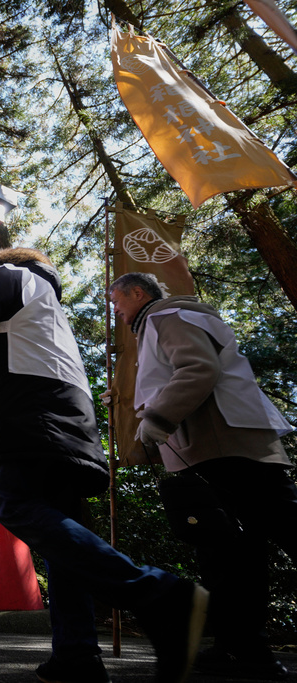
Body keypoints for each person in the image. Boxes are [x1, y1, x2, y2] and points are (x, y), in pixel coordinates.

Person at [0, 247, 207, 683]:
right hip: (61, 414)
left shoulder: (6, 274)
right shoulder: (44, 301)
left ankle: (159, 593)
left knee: (16, 504)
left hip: (27, 410)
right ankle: (76, 652)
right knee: (61, 540)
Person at [110, 272, 296, 680]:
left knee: (239, 550)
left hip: (221, 445)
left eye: (118, 302)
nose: (117, 312)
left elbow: (197, 368)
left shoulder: (166, 315)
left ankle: (245, 649)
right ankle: (242, 649)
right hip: (234, 443)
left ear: (138, 293)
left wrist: (158, 418)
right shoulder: (174, 317)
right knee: (233, 553)